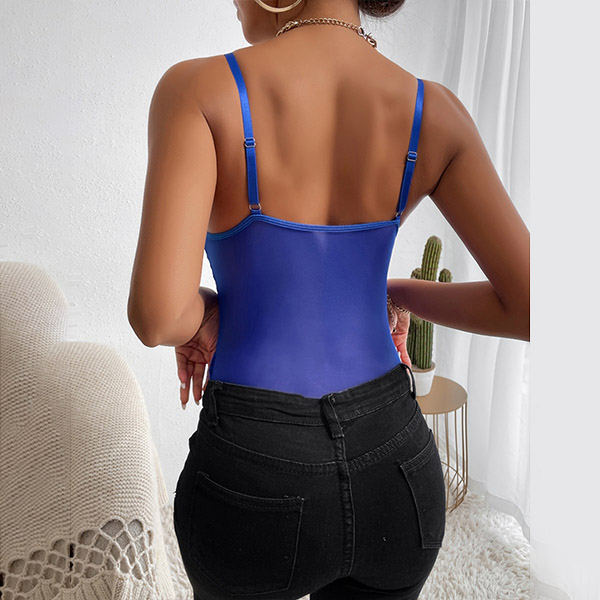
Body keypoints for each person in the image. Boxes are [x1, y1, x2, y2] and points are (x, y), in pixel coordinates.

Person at [128, 0, 530, 598]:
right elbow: (530, 306)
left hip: (254, 474)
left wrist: (207, 312)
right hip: (397, 469)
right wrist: (393, 292)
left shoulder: (197, 91)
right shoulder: (434, 111)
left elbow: (158, 317)